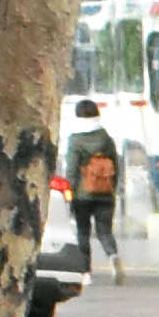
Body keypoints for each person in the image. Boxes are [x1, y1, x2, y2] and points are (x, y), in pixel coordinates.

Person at [63, 99, 125, 271]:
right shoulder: (106, 138)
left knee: (83, 232)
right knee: (105, 230)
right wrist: (113, 187)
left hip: (82, 195)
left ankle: (85, 272)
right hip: (105, 192)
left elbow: (72, 169)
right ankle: (112, 255)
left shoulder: (75, 140)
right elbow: (116, 165)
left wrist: (69, 192)